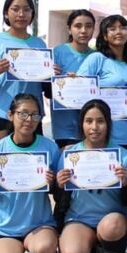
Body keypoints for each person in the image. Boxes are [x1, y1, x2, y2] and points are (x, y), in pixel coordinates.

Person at [56, 99, 127, 253]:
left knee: (112, 226)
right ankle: (90, 252)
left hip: (113, 220)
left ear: (108, 123)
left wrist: (125, 183)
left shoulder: (122, 155)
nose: (94, 127)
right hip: (80, 219)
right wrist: (59, 185)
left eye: (100, 121)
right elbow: (60, 201)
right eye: (89, 121)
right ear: (82, 124)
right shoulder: (70, 154)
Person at [0, 94, 59, 253]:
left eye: (35, 115)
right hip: (5, 228)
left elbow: (58, 193)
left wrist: (53, 183)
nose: (29, 120)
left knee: (45, 249)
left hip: (39, 225)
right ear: (10, 115)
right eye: (23, 114)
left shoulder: (49, 148)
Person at [0, 0, 48, 145]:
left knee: (30, 166)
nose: (21, 14)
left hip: (32, 117)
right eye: (15, 9)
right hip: (1, 113)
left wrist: (51, 74)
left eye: (26, 9)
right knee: (2, 165)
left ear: (32, 14)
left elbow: (45, 85)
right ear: (6, 13)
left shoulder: (40, 44)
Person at [76, 15, 127, 158]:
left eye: (123, 28)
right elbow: (78, 90)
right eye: (112, 29)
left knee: (123, 178)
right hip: (100, 136)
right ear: (105, 36)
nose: (118, 32)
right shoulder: (97, 59)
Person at [50, 9, 96, 149]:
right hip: (65, 126)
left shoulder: (98, 57)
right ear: (69, 29)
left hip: (92, 127)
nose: (83, 30)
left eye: (88, 26)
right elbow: (46, 89)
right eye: (78, 26)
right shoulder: (57, 53)